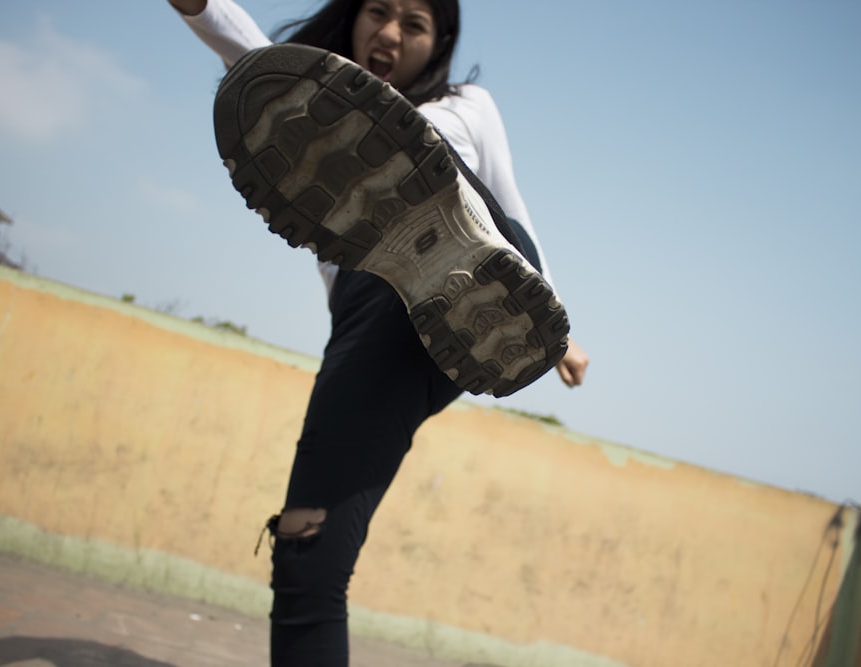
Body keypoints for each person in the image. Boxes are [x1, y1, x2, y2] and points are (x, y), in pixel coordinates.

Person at [168, 1, 590, 664]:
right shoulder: (318, 100)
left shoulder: (468, 104)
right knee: (308, 548)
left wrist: (558, 324)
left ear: (438, 41)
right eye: (379, 12)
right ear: (354, 16)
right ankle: (427, 236)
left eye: (414, 24)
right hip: (373, 330)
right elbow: (257, 63)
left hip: (486, 278)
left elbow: (515, 203)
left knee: (450, 179)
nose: (390, 33)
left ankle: (451, 228)